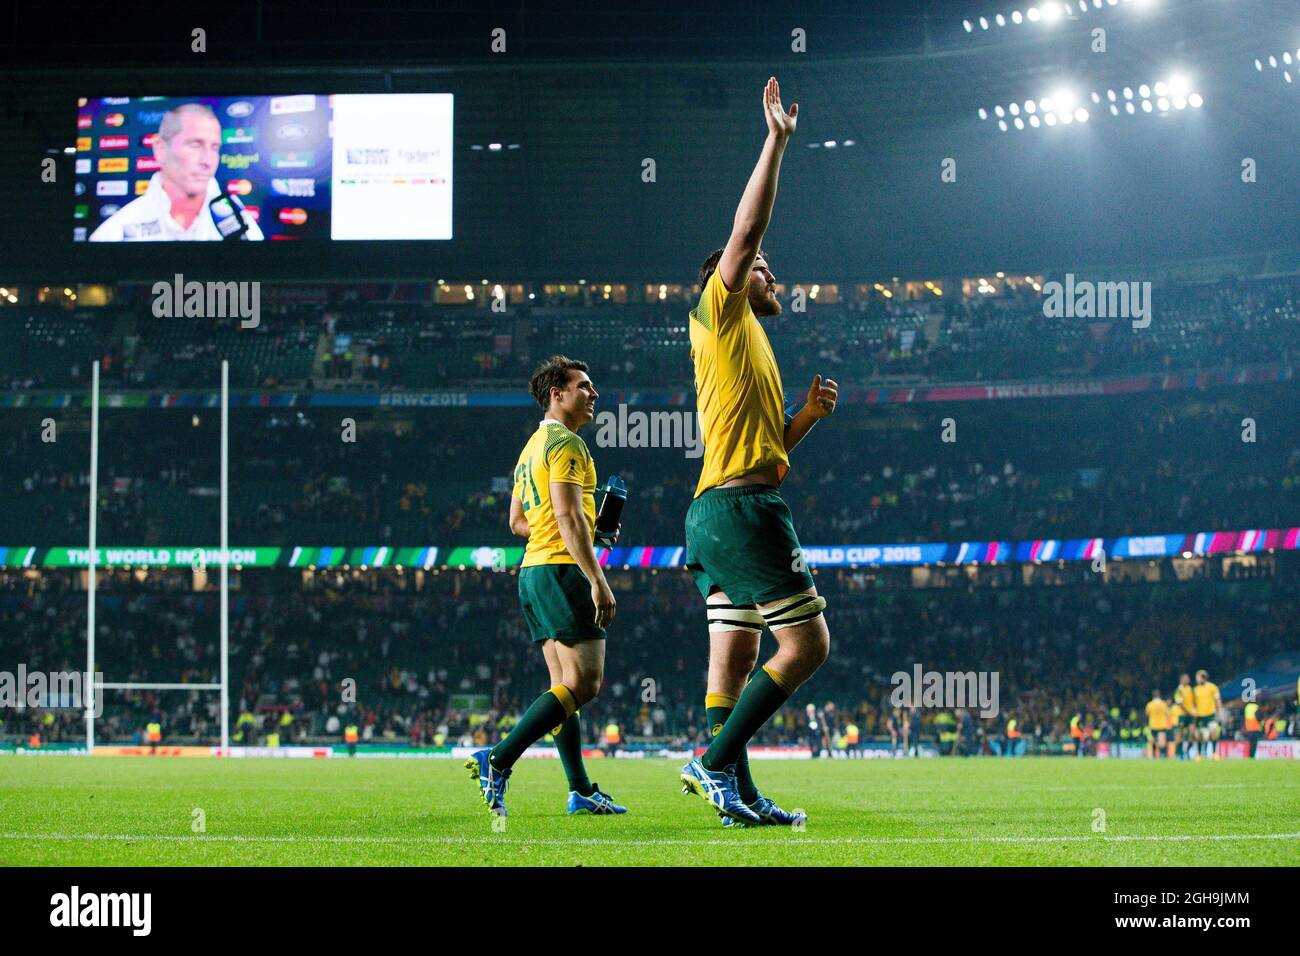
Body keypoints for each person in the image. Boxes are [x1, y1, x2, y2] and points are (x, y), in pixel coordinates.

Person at [678, 77, 836, 829]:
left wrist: (803, 417)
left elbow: (767, 446)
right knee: (807, 645)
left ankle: (733, 791)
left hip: (719, 506)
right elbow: (743, 235)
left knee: (732, 664)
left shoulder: (752, 342)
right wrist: (775, 140)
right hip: (741, 510)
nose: (776, 276)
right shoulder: (721, 307)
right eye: (767, 270)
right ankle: (711, 765)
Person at [464, 356, 626, 817]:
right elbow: (568, 515)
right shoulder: (568, 444)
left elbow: (518, 521)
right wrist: (596, 577)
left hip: (533, 572)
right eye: (584, 386)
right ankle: (498, 758)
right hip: (563, 571)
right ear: (558, 393)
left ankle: (580, 789)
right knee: (585, 683)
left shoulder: (530, 448)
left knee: (562, 686)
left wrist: (573, 531)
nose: (594, 394)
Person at [90, 103, 264, 242]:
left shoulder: (240, 225)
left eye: (214, 148)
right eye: (195, 145)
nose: (207, 161)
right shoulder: (115, 232)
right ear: (160, 150)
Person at [1191, 669, 1223, 761]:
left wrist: (1220, 713)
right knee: (1199, 736)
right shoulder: (1195, 689)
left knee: (1213, 733)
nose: (1196, 679)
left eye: (1197, 677)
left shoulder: (1212, 687)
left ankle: (1214, 753)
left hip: (1210, 715)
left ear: (1203, 678)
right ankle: (1199, 754)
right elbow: (1194, 703)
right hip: (1200, 716)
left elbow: (1218, 700)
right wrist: (1193, 711)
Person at [1144, 690, 1171, 759]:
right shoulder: (1163, 704)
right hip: (1162, 726)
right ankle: (1162, 757)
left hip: (1152, 726)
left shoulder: (1149, 704)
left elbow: (1147, 714)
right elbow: (1167, 715)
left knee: (1151, 742)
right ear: (1160, 696)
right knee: (1161, 744)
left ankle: (1151, 757)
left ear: (1153, 696)